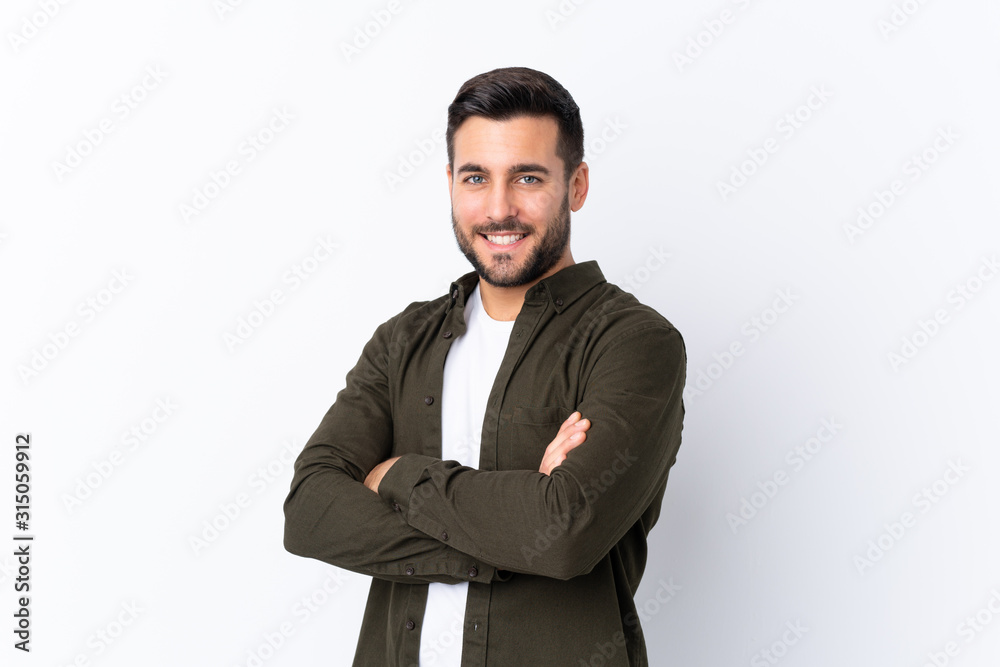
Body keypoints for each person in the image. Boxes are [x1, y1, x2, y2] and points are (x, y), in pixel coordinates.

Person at [283, 66, 686, 667]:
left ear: (576, 186)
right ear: (450, 183)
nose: (499, 209)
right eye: (476, 178)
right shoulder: (403, 341)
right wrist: (520, 524)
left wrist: (395, 477)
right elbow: (310, 512)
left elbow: (567, 531)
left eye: (527, 177)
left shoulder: (633, 343)